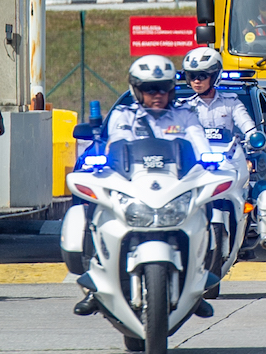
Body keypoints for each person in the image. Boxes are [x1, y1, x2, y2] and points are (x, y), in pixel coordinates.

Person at [74, 54, 212, 317]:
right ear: (137, 90)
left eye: (163, 88)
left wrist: (209, 161)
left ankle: (198, 285)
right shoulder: (123, 116)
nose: (156, 95)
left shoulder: (185, 115)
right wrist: (99, 163)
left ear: (172, 89)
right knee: (93, 213)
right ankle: (95, 287)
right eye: (149, 89)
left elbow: (198, 143)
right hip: (134, 187)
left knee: (208, 208)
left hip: (174, 187)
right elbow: (115, 146)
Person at [178, 46, 256, 177]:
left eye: (202, 76)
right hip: (194, 164)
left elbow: (246, 125)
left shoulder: (231, 103)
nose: (196, 81)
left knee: (250, 189)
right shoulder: (183, 108)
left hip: (228, 163)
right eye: (192, 76)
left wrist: (253, 137)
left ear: (214, 76)